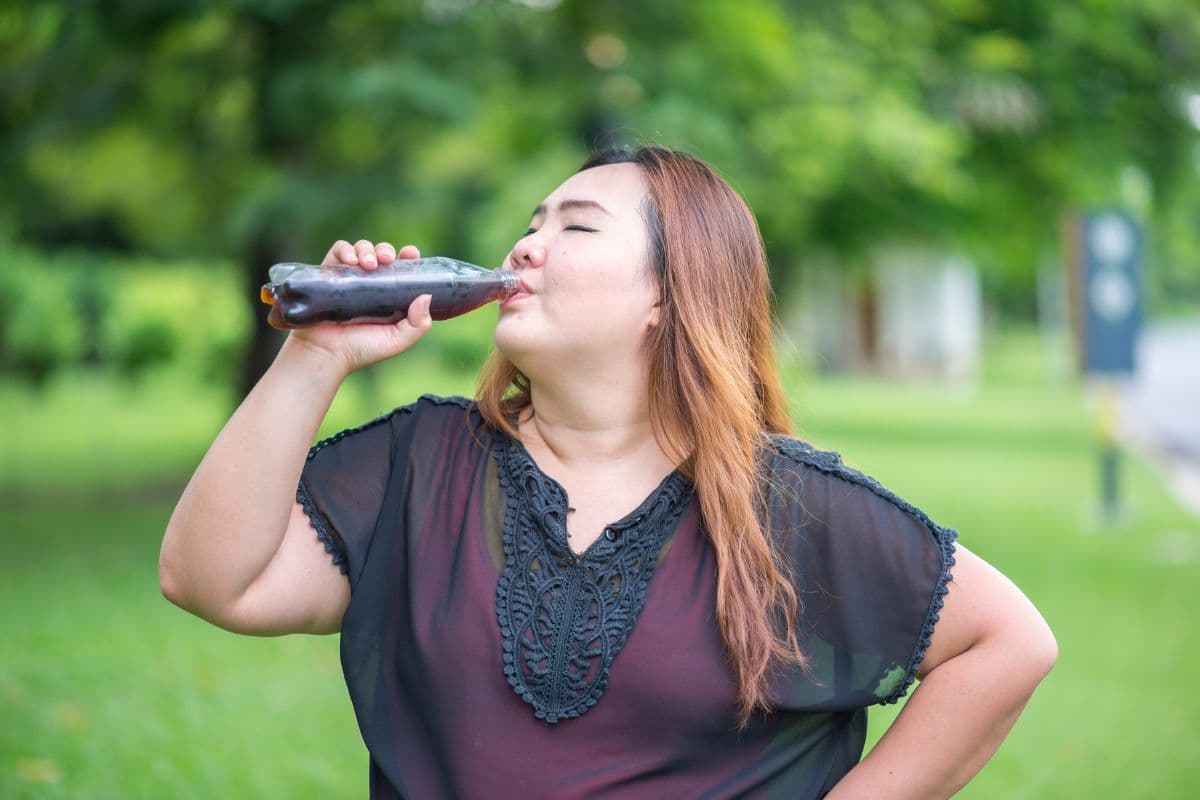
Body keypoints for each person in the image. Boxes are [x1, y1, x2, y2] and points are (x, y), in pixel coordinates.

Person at [159, 145, 1057, 799]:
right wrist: (313, 358)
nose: (525, 246)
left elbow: (1008, 644)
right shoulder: (420, 463)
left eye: (575, 226)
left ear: (670, 294)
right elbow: (211, 582)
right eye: (530, 223)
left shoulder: (782, 503)